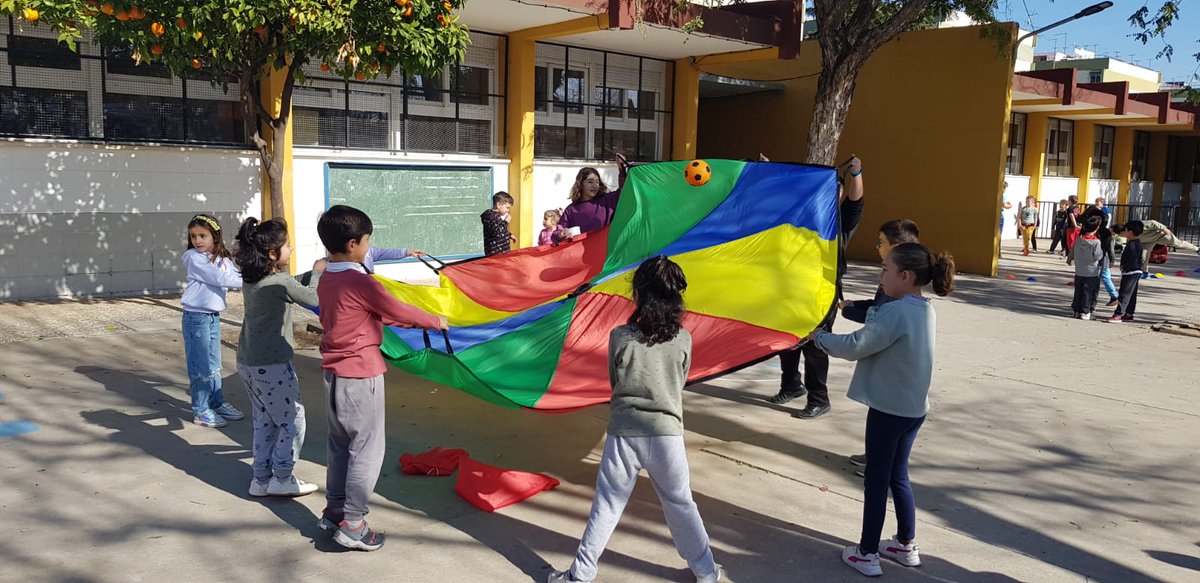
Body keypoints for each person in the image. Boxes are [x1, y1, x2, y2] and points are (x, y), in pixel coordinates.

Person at [547, 256, 723, 583]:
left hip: (623, 435)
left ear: (639, 294)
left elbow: (617, 384)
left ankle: (579, 576)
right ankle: (707, 572)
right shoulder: (683, 339)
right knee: (681, 504)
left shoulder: (620, 337)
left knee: (607, 507)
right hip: (667, 436)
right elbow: (678, 381)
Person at [806, 243, 955, 578]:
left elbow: (856, 346)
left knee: (876, 481)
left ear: (905, 275)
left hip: (889, 411)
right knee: (897, 475)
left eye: (885, 269)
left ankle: (867, 552)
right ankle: (905, 544)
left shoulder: (896, 312)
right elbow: (877, 330)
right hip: (913, 409)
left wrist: (819, 338)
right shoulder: (922, 308)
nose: (881, 275)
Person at [315, 205, 448, 551]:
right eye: (368, 241)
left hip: (333, 375)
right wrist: (435, 320)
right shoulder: (360, 280)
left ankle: (335, 511)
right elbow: (396, 308)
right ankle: (354, 524)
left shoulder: (328, 275)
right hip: (361, 376)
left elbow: (371, 315)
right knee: (367, 450)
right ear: (354, 244)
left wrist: (401, 321)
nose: (370, 247)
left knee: (341, 446)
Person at [233, 217, 324, 498]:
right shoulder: (279, 281)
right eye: (287, 245)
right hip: (272, 364)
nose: (291, 248)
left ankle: (261, 478)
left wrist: (309, 274)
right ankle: (283, 477)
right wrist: (320, 272)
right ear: (273, 254)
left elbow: (293, 285)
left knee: (265, 420)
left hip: (248, 361)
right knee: (293, 420)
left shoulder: (256, 279)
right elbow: (314, 299)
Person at [769, 156, 865, 420]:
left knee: (815, 344)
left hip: (822, 292)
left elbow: (857, 200)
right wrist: (766, 171)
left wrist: (856, 172)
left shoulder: (840, 218)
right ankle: (791, 385)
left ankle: (819, 399)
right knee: (787, 340)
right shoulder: (801, 213)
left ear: (839, 191)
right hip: (791, 289)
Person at [840, 218, 920, 475]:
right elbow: (877, 309)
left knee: (887, 422)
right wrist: (852, 307)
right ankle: (876, 457)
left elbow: (879, 320)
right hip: (895, 381)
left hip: (893, 376)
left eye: (881, 242)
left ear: (896, 246)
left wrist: (822, 337)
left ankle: (879, 464)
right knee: (884, 423)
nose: (877, 247)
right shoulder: (897, 278)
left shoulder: (898, 286)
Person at [181, 213, 245, 428]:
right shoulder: (194, 258)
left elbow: (234, 273)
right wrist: (252, 278)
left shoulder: (222, 259)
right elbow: (219, 278)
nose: (197, 241)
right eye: (193, 236)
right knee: (200, 366)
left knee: (214, 365)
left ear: (215, 237)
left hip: (212, 317)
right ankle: (201, 410)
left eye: (202, 235)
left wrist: (252, 272)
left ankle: (216, 402)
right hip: (196, 317)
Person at [556, 153, 630, 241]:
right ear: (580, 184)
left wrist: (621, 168)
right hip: (580, 253)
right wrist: (561, 234)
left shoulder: (607, 201)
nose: (594, 185)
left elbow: (625, 190)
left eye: (597, 182)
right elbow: (558, 232)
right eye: (590, 182)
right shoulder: (571, 210)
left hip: (604, 251)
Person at [1080, 203, 1118, 306]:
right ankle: (1113, 296)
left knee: (1102, 278)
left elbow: (1109, 246)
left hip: (1100, 258)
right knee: (1103, 277)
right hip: (1093, 259)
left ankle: (1114, 296)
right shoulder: (1089, 230)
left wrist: (1112, 258)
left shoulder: (1102, 232)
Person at [1106, 222, 1144, 323]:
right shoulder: (1136, 242)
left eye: (1126, 230)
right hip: (1134, 272)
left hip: (1131, 272)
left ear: (1130, 232)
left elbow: (1132, 259)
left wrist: (1124, 268)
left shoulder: (1132, 245)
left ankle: (1118, 314)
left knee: (1124, 293)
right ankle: (1129, 314)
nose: (1124, 232)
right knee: (1131, 294)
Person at [1070, 216, 1105, 321]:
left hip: (1079, 270)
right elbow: (1098, 256)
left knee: (1078, 291)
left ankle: (1076, 310)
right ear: (1097, 228)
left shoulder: (1079, 240)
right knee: (1088, 292)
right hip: (1091, 271)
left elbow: (1074, 252)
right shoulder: (1096, 242)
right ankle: (1085, 311)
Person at [1127, 219, 1200, 265]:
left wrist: (1164, 229)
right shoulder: (1127, 236)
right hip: (1148, 240)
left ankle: (1197, 249)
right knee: (1144, 254)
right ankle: (1144, 271)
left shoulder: (1136, 226)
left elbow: (1153, 222)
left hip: (1161, 235)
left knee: (1177, 243)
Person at [481, 191, 517, 256]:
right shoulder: (489, 216)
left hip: (503, 253)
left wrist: (509, 235)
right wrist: (506, 221)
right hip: (495, 253)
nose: (508, 210)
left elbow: (500, 229)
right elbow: (497, 232)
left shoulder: (496, 216)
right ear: (498, 205)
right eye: (507, 207)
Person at [1064, 195, 1081, 266]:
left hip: (1071, 227)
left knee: (1070, 243)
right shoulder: (1077, 208)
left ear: (1070, 201)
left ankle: (1072, 258)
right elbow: (1079, 216)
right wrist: (1079, 224)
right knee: (1076, 242)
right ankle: (1076, 257)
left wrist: (1075, 225)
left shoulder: (1070, 208)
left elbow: (1072, 217)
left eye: (1068, 200)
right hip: (1077, 227)